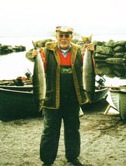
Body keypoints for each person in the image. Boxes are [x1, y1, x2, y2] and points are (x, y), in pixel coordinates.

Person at [32, 26, 94, 166]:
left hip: (73, 99)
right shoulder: (47, 51)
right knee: (50, 132)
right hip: (51, 99)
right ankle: (47, 161)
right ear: (57, 36)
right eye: (61, 36)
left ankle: (72, 157)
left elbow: (89, 69)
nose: (64, 39)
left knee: (73, 130)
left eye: (67, 36)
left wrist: (90, 53)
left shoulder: (79, 51)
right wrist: (34, 54)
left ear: (71, 37)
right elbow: (36, 63)